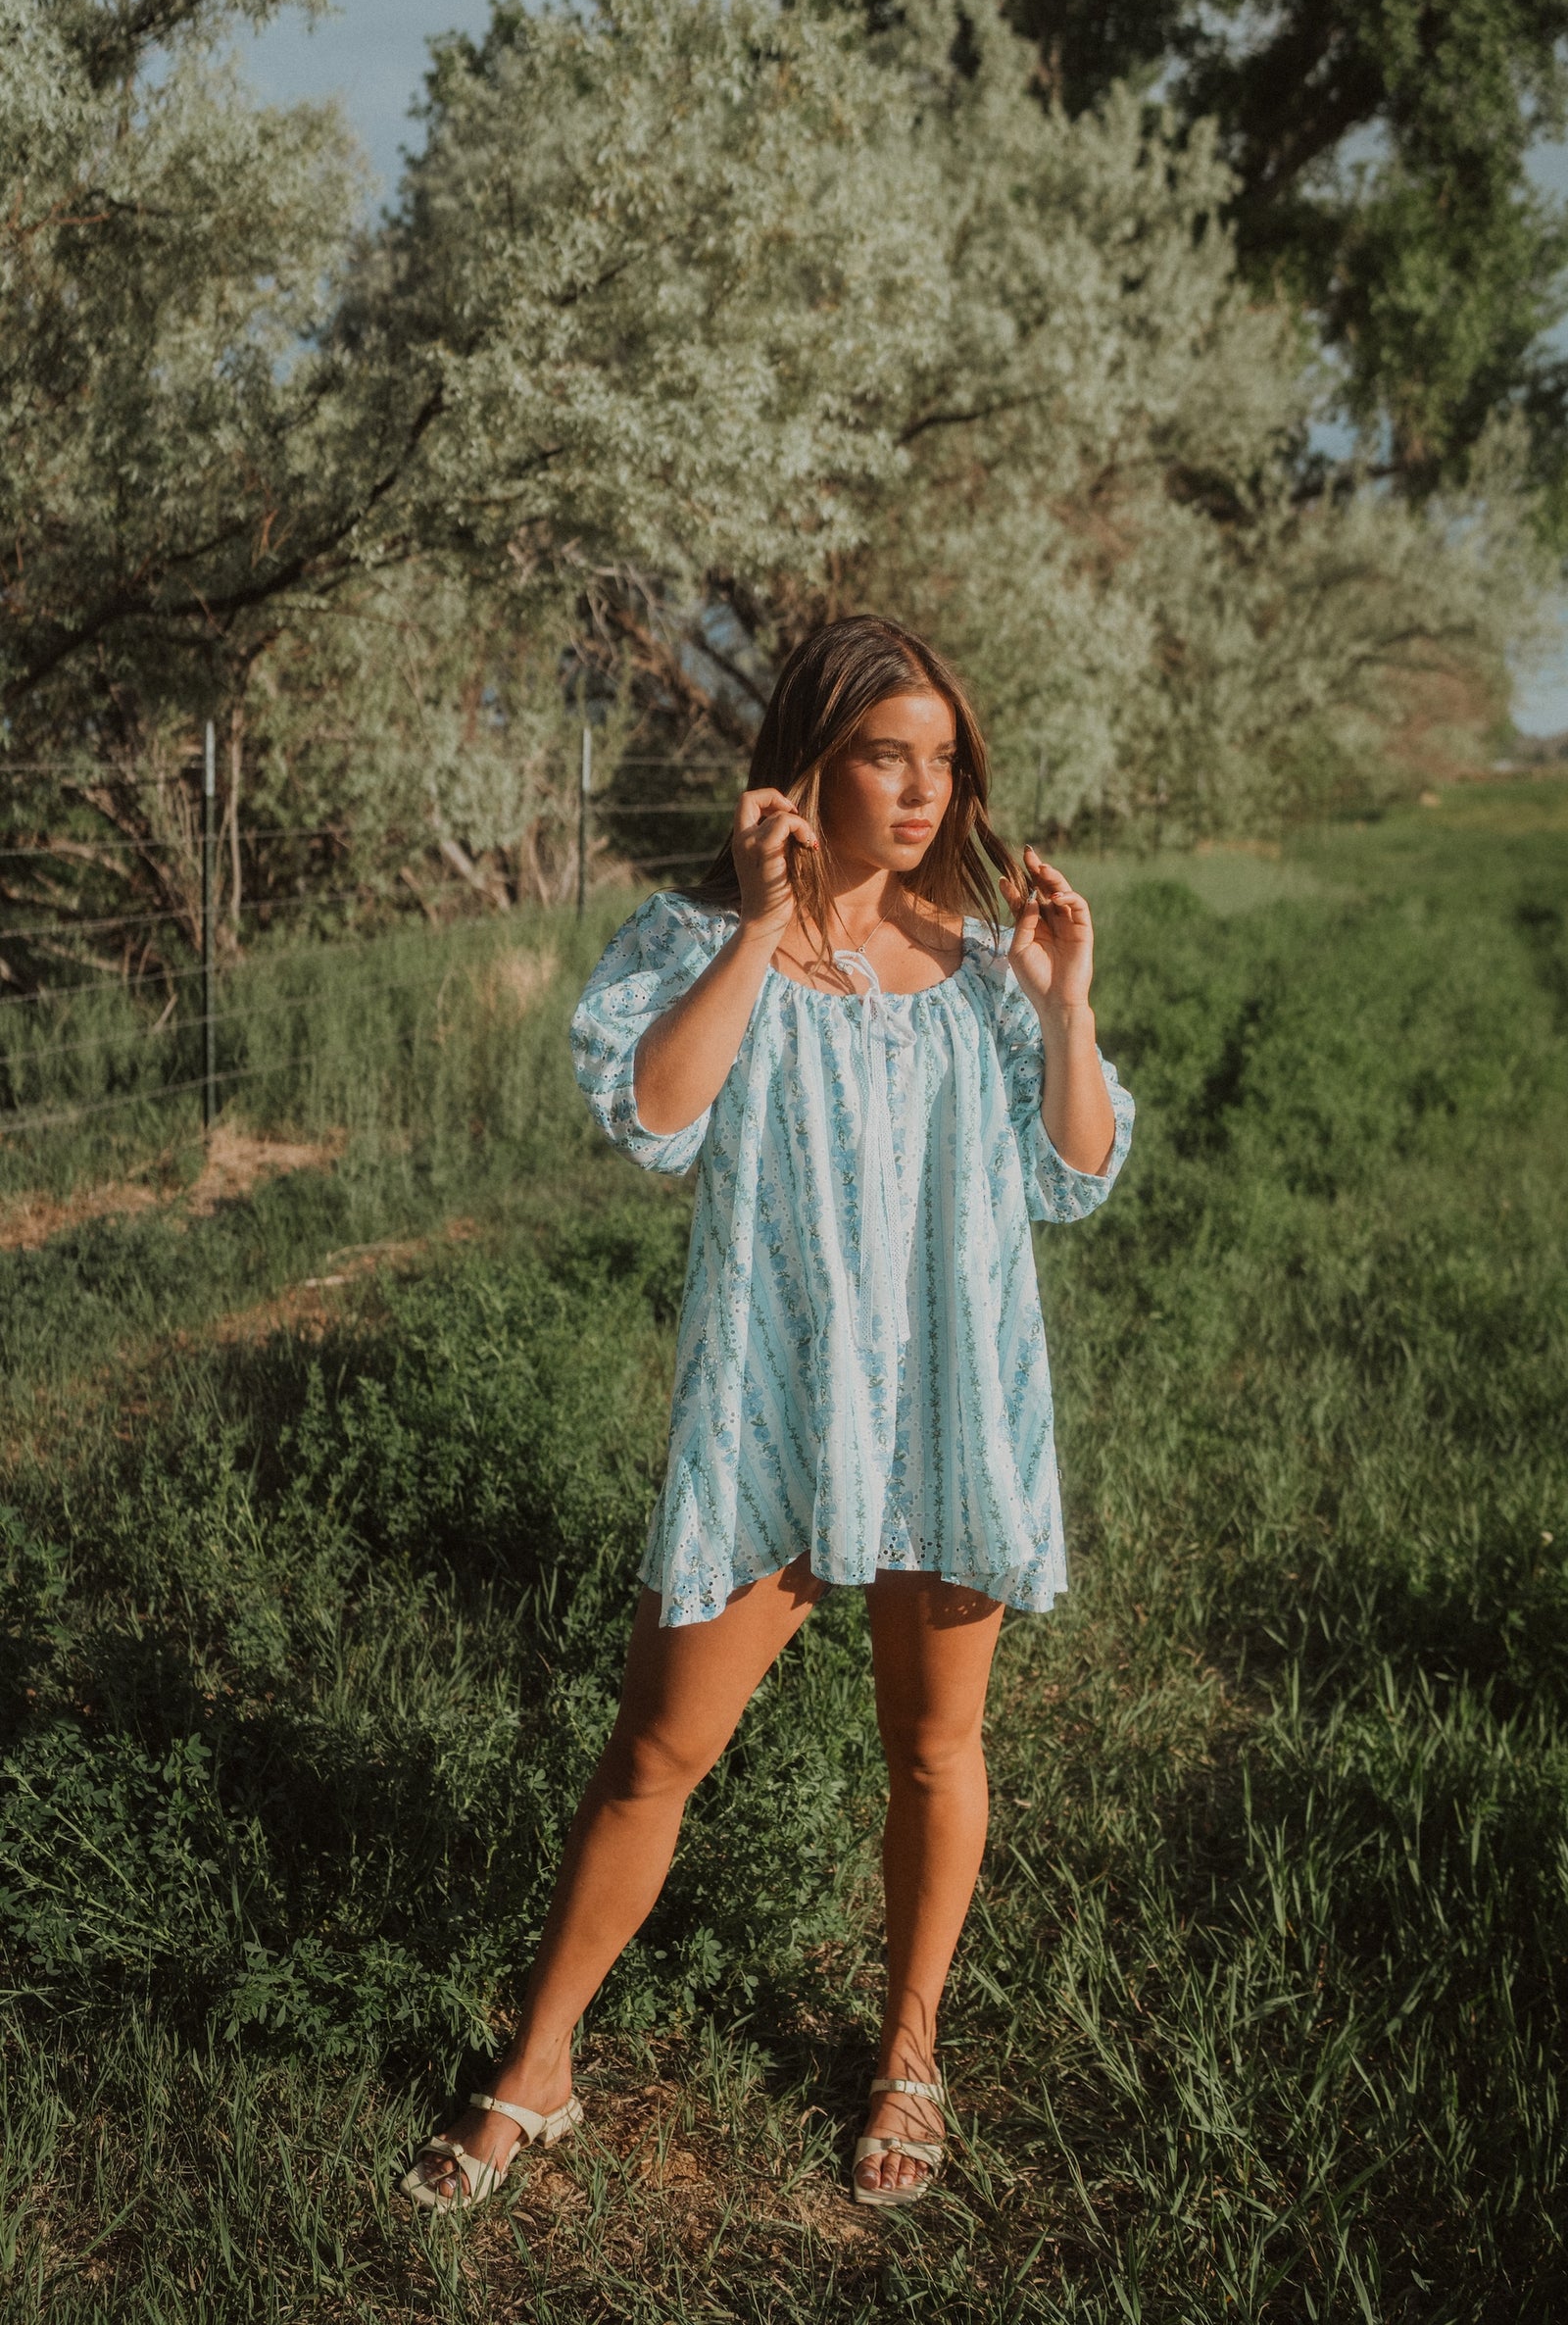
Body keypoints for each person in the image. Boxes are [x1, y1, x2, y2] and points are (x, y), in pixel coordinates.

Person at [402, 614, 1134, 2215]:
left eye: (946, 759)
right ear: (812, 762)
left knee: (937, 1748)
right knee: (660, 1745)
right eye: (889, 754)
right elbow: (657, 1115)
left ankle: (909, 2055)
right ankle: (539, 2070)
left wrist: (1065, 1003)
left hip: (948, 1400)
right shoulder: (694, 938)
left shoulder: (990, 964)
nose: (926, 789)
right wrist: (758, 925)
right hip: (778, 1411)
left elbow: (1077, 1177)